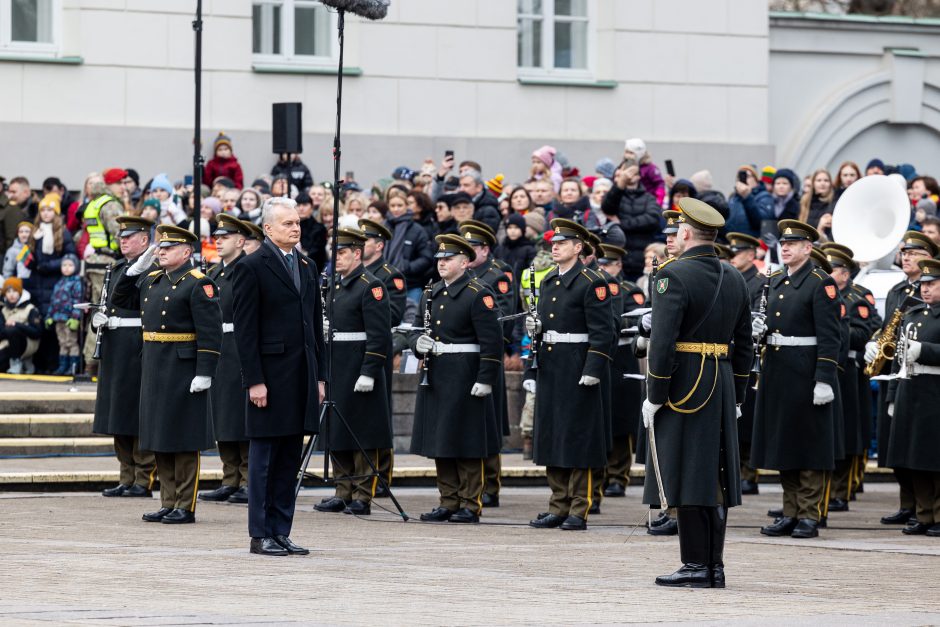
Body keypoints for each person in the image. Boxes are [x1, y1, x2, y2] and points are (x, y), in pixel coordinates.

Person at [640, 198, 752, 588]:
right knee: (715, 475)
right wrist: (737, 396)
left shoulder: (673, 276)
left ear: (685, 233)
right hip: (720, 382)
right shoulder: (735, 276)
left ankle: (694, 565)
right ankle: (713, 566)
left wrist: (655, 394)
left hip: (686, 383)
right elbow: (745, 345)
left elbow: (663, 343)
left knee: (687, 472)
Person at [232, 197, 326, 556]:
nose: (295, 228)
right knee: (264, 458)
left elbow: (314, 325)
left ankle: (281, 529)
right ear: (268, 228)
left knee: (290, 456)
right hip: (269, 376)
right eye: (287, 223)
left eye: (298, 222)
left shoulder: (306, 264)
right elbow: (246, 329)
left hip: (301, 375)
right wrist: (254, 379)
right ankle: (260, 533)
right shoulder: (252, 266)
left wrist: (320, 377)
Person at [110, 225, 222, 525]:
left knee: (183, 439)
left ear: (186, 252)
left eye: (167, 248)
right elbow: (120, 300)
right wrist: (134, 271)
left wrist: (205, 372)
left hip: (183, 368)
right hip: (155, 366)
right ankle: (168, 500)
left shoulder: (198, 283)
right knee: (159, 437)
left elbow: (210, 333)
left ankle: (185, 504)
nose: (160, 252)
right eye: (160, 248)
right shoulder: (153, 280)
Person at [751, 219, 841, 540]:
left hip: (805, 373)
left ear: (808, 248)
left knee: (809, 447)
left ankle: (809, 514)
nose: (785, 248)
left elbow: (831, 337)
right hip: (778, 371)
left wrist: (824, 379)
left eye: (793, 244)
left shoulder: (820, 282)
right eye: (783, 244)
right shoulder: (777, 282)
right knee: (784, 445)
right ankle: (790, 511)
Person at [524, 218, 614, 531]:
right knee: (553, 437)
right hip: (552, 365)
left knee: (579, 439)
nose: (556, 246)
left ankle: (580, 506)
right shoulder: (549, 280)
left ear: (578, 248)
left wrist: (593, 369)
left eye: (563, 242)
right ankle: (558, 504)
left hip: (577, 365)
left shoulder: (592, 281)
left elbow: (603, 333)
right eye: (554, 242)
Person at [408, 234, 503, 524]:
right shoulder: (431, 292)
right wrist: (417, 343)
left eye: (448, 259)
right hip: (437, 373)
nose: (441, 264)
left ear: (465, 262)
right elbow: (413, 329)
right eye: (439, 259)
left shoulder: (478, 293)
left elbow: (492, 341)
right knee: (442, 441)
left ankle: (469, 503)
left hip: (465, 373)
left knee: (467, 442)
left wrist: (485, 378)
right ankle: (448, 500)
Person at [313, 228, 392, 516]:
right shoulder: (335, 285)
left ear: (357, 254)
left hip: (358, 364)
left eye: (342, 252)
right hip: (337, 364)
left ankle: (362, 493)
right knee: (337, 431)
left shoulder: (371, 286)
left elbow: (379, 335)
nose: (337, 257)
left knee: (361, 433)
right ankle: (342, 490)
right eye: (335, 252)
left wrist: (369, 370)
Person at [864, 231, 938, 527]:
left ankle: (928, 512)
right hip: (901, 378)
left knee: (928, 453)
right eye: (904, 252)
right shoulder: (899, 292)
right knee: (904, 449)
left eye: (914, 252)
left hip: (931, 384)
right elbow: (889, 330)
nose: (906, 256)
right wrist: (876, 343)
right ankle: (914, 508)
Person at [92, 216, 158, 499]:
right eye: (121, 236)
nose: (123, 240)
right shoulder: (117, 267)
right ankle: (126, 476)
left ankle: (143, 478)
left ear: (144, 240)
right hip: (116, 346)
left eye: (129, 236)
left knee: (136, 414)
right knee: (118, 413)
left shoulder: (150, 269)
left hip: (136, 346)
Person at [198, 215, 252, 505]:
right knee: (222, 415)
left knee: (239, 416)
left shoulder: (245, 269)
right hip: (219, 346)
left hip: (239, 346)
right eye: (217, 237)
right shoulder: (217, 273)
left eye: (225, 237)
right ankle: (229, 478)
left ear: (240, 241)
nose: (218, 242)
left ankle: (246, 479)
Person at [885, 258, 940, 536]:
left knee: (935, 459)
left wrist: (925, 350)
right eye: (923, 285)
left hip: (935, 392)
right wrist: (893, 396)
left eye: (932, 284)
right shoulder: (913, 314)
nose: (926, 289)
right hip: (911, 390)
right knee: (914, 459)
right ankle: (924, 513)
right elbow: (897, 359)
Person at [824, 246, 881, 511]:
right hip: (829, 364)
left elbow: (863, 334)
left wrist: (835, 327)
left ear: (845, 274)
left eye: (833, 269)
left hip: (848, 369)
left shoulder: (857, 298)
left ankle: (841, 490)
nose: (827, 273)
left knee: (848, 432)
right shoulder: (822, 294)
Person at [358, 218, 407, 496]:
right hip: (352, 349)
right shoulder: (353, 273)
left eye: (365, 241)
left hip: (376, 345)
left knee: (378, 413)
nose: (359, 246)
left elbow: (395, 314)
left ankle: (381, 477)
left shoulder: (389, 275)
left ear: (379, 245)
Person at [596, 243, 645, 498]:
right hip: (601, 356)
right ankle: (601, 473)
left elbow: (638, 319)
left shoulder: (629, 290)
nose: (604, 269)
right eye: (600, 264)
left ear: (619, 265)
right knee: (602, 419)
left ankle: (618, 475)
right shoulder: (593, 287)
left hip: (622, 358)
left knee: (620, 421)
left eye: (609, 264)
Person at [725, 232, 767, 495]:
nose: (733, 257)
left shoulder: (759, 282)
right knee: (738, 420)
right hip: (737, 350)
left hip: (752, 355)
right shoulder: (735, 278)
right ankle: (738, 470)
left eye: (737, 253)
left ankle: (749, 473)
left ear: (751, 255)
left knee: (749, 419)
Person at [601, 159, 661, 280]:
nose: (629, 175)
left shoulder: (648, 198)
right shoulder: (617, 194)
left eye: (633, 172)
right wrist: (620, 183)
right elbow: (607, 207)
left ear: (639, 176)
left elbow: (652, 219)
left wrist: (622, 224)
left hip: (641, 258)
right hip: (619, 258)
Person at [385, 189, 432, 306]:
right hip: (384, 283)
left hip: (410, 285)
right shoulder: (383, 227)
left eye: (400, 205)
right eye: (393, 205)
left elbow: (426, 257)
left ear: (407, 206)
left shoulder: (417, 230)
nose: (396, 209)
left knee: (411, 321)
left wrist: (408, 266)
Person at [45, 254, 83, 375]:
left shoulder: (77, 282)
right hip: (58, 318)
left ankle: (72, 366)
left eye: (70, 265)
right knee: (62, 342)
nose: (67, 268)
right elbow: (53, 301)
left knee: (71, 342)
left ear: (76, 267)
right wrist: (49, 316)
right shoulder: (59, 283)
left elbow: (78, 300)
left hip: (69, 319)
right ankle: (63, 365)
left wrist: (75, 318)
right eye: (64, 265)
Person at [0, 277, 41, 373]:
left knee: (12, 330)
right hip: (7, 344)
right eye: (8, 292)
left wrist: (17, 325)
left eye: (14, 291)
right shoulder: (3, 310)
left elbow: (37, 333)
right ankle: (23, 364)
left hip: (28, 344)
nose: (11, 295)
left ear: (20, 292)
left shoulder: (31, 309)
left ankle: (17, 364)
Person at [725, 166, 774, 237]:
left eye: (747, 176)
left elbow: (761, 223)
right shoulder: (733, 198)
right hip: (732, 243)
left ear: (756, 180)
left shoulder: (765, 197)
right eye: (740, 177)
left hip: (751, 244)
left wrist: (747, 197)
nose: (743, 179)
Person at [623, 138, 666, 206]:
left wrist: (658, 201)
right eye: (626, 152)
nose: (628, 156)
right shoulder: (624, 166)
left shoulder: (650, 168)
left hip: (648, 203)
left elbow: (660, 184)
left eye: (631, 153)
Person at [0, 182, 28, 255]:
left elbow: (11, 238)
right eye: (9, 191)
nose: (11, 194)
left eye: (13, 192)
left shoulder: (10, 208)